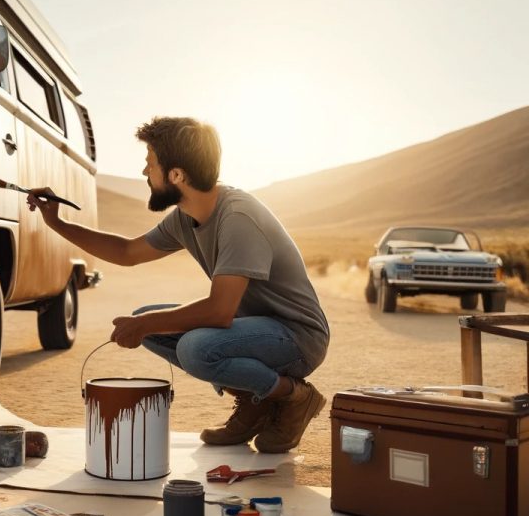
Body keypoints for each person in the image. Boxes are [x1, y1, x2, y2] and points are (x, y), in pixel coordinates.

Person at [26, 116, 329, 453]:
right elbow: (127, 252)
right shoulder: (186, 218)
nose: (145, 173)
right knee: (152, 323)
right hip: (255, 331)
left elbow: (219, 311)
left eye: (150, 163)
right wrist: (56, 223)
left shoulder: (237, 217)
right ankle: (254, 401)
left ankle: (294, 396)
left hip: (298, 338)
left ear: (177, 175)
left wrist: (142, 325)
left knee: (194, 347)